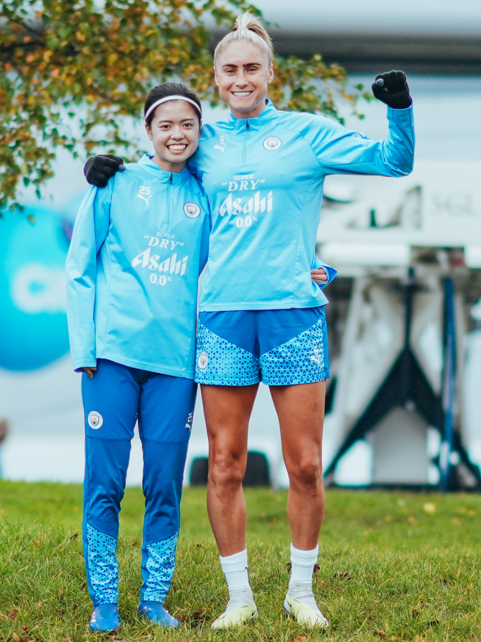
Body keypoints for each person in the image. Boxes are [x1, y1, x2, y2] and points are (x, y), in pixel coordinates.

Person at [84, 12, 413, 629]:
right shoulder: (202, 140)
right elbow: (162, 152)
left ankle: (300, 592)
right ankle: (239, 597)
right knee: (226, 461)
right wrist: (107, 171)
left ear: (269, 73)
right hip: (222, 317)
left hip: (293, 315)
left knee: (306, 464)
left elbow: (395, 163)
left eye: (251, 69)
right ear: (215, 78)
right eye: (230, 70)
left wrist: (399, 108)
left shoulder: (306, 134)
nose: (241, 79)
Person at [67, 81, 336, 633]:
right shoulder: (113, 183)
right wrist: (83, 347)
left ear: (199, 131)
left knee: (164, 483)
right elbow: (80, 267)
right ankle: (104, 603)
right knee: (106, 482)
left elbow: (255, 242)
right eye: (164, 125)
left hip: (178, 362)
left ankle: (153, 600)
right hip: (112, 356)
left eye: (187, 124)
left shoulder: (206, 194)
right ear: (147, 130)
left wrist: (310, 269)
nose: (177, 134)